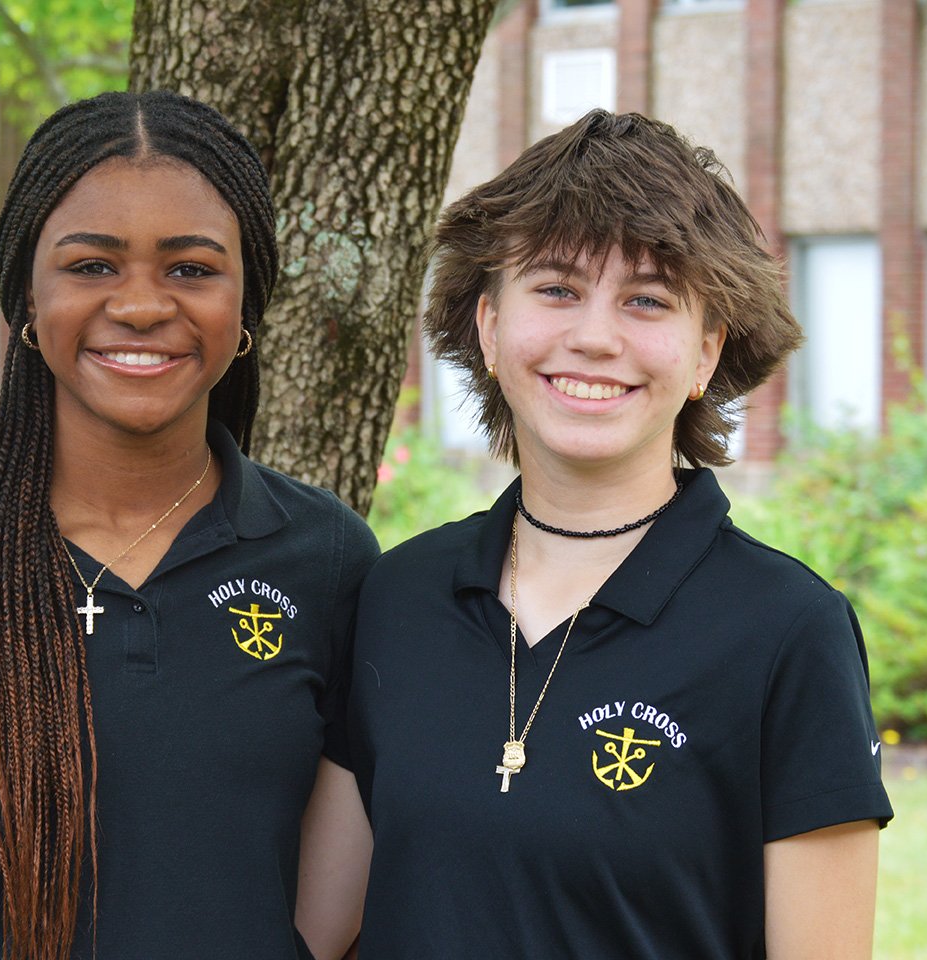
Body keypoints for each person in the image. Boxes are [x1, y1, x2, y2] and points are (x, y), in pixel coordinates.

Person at [0, 91, 376, 960]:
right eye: (91, 265)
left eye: (191, 269)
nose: (139, 306)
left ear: (247, 305)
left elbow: (338, 914)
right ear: (24, 299)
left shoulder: (327, 561)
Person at [348, 110, 893, 959]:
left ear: (707, 350)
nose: (595, 337)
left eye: (646, 300)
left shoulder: (789, 630)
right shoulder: (399, 593)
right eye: (557, 289)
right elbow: (316, 922)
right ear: (489, 327)